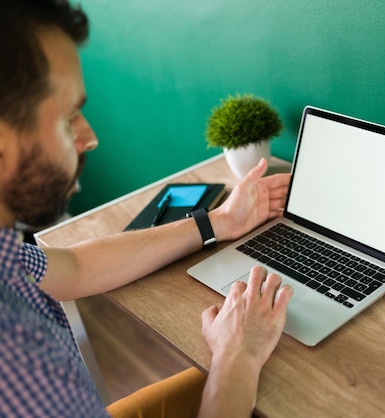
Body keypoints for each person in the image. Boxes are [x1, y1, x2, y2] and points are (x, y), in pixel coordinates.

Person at [0, 0, 293, 417]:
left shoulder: (6, 257)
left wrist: (220, 221)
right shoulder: (18, 366)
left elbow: (76, 268)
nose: (90, 138)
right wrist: (237, 355)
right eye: (69, 118)